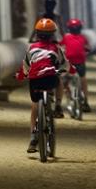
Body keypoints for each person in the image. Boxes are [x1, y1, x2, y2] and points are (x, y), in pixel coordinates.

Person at [17, 18, 67, 153]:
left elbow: (26, 65)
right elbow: (63, 64)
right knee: (59, 79)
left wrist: (23, 75)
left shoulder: (32, 48)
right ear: (53, 34)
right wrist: (62, 70)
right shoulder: (56, 48)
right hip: (50, 79)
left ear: (37, 34)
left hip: (36, 81)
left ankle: (33, 137)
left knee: (34, 105)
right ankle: (57, 105)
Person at [60, 18, 91, 112]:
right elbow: (88, 48)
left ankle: (68, 98)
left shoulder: (66, 37)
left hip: (68, 64)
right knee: (83, 79)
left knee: (64, 82)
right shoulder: (83, 38)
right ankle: (85, 100)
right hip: (80, 63)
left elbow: (60, 46)